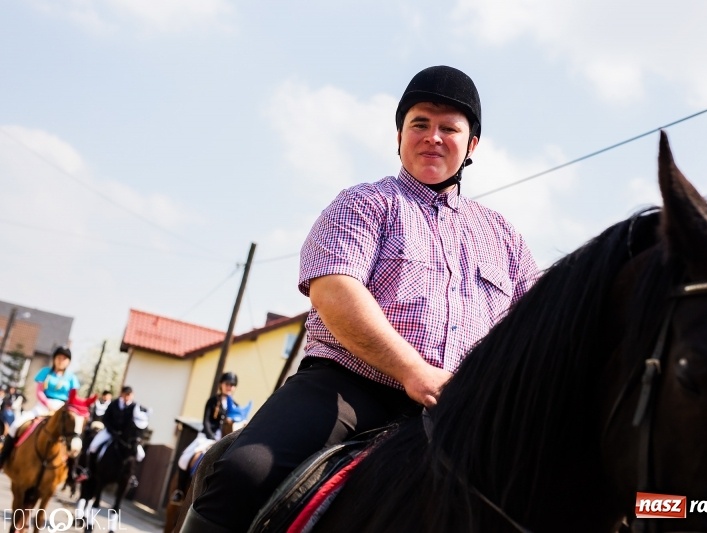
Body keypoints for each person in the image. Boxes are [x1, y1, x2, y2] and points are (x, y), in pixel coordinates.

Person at [182, 65, 540, 533]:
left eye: (449, 128)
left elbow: (535, 332)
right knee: (244, 470)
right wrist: (415, 371)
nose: (433, 137)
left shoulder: (506, 239)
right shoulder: (363, 204)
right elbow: (334, 292)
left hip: (461, 415)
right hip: (349, 390)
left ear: (471, 145)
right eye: (420, 124)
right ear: (399, 135)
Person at [0, 346, 80, 470]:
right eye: (59, 357)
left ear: (68, 362)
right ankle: (3, 459)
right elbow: (39, 391)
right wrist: (47, 403)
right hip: (43, 406)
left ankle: (70, 472)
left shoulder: (72, 378)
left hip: (62, 409)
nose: (61, 360)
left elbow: (73, 397)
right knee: (16, 425)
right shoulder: (45, 372)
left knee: (72, 436)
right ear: (54, 359)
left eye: (64, 358)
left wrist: (64, 407)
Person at [175, 372, 241, 498]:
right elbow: (206, 421)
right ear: (221, 384)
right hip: (207, 437)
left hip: (225, 440)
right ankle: (179, 491)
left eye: (232, 385)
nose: (230, 387)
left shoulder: (235, 406)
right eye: (227, 384)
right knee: (184, 459)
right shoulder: (212, 401)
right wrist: (212, 437)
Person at [86, 386, 149, 470]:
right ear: (121, 394)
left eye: (129, 395)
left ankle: (130, 476)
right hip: (110, 432)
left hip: (126, 437)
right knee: (93, 446)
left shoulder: (135, 407)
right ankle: (89, 470)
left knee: (141, 455)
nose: (127, 397)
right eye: (125, 394)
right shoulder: (114, 404)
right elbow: (106, 418)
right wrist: (111, 431)